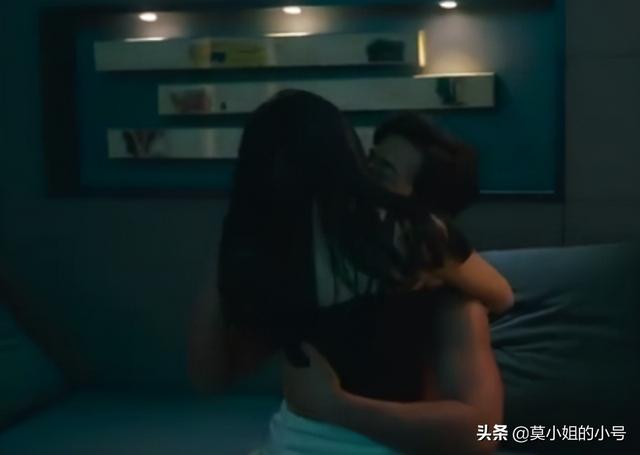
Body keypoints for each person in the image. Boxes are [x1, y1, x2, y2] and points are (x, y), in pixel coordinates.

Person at [216, 90, 511, 454]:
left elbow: (482, 433)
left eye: (382, 172)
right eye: (366, 162)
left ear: (420, 212)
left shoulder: (451, 300)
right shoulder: (326, 261)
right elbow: (221, 367)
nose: (361, 181)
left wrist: (335, 406)